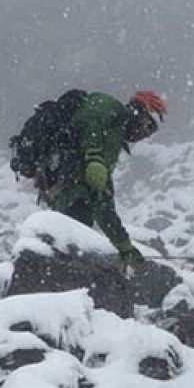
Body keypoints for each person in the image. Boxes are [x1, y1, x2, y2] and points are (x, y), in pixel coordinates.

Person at [9, 89, 166, 262]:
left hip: (63, 186)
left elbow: (102, 201)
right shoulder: (109, 107)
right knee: (75, 235)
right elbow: (90, 120)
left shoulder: (113, 141)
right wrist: (93, 157)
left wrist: (124, 245)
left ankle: (59, 272)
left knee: (79, 230)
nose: (146, 135)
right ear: (140, 111)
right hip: (68, 183)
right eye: (149, 126)